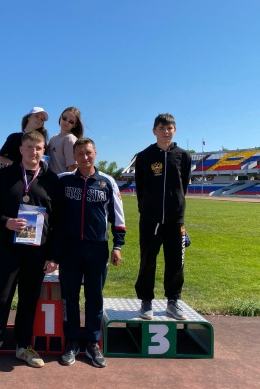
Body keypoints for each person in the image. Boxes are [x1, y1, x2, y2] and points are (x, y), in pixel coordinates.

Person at [0, 131, 62, 381]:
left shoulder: (52, 180)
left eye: (38, 148)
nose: (33, 152)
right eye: (29, 147)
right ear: (21, 149)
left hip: (37, 252)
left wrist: (53, 256)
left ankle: (23, 346)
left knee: (29, 301)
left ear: (43, 151)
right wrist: (5, 221)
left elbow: (58, 221)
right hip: (8, 248)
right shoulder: (5, 176)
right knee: (0, 299)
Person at [57, 137, 126, 368]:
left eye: (88, 152)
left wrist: (118, 245)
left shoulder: (107, 182)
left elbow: (118, 216)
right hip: (69, 249)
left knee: (94, 296)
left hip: (97, 248)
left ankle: (92, 343)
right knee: (69, 297)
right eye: (80, 154)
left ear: (95, 153)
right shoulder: (64, 180)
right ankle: (72, 342)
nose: (84, 157)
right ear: (74, 157)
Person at [134, 113, 192, 321]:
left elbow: (182, 186)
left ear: (174, 130)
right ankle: (146, 301)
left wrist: (176, 207)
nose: (166, 132)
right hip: (150, 219)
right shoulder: (144, 156)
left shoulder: (183, 156)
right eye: (161, 128)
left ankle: (173, 301)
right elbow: (140, 186)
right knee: (147, 260)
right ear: (154, 131)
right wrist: (147, 209)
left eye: (169, 128)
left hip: (175, 219)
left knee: (176, 262)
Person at [47, 106, 84, 174]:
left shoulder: (70, 139)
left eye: (71, 121)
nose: (66, 122)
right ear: (60, 117)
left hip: (61, 179)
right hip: (49, 179)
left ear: (75, 125)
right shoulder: (52, 139)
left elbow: (72, 167)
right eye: (64, 118)